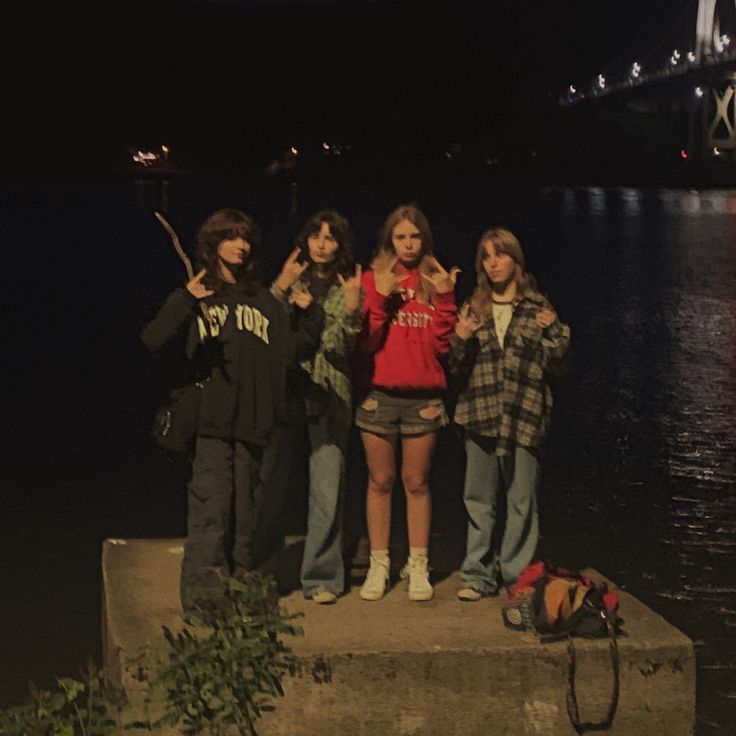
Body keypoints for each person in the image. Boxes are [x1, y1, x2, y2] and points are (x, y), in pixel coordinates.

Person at [141, 208, 319, 612]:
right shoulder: (200, 292)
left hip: (255, 425)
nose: (240, 246)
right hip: (212, 423)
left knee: (248, 515)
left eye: (245, 238)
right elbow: (153, 339)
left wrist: (305, 312)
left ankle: (246, 595)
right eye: (230, 237)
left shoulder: (262, 300)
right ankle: (205, 602)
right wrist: (187, 300)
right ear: (213, 244)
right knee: (212, 511)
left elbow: (289, 353)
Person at [447, 227, 570, 600]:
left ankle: (517, 575)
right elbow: (455, 367)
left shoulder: (538, 309)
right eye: (486, 256)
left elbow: (559, 365)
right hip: (479, 414)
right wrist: (461, 339)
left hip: (524, 415)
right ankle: (477, 575)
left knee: (521, 501)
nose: (493, 263)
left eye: (500, 255)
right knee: (478, 499)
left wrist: (555, 334)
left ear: (515, 261)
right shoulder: (474, 307)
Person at [354, 203, 458, 601]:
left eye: (415, 236)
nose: (408, 244)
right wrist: (379, 298)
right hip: (379, 395)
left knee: (416, 482)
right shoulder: (374, 277)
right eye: (400, 237)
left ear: (424, 238)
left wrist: (446, 299)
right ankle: (379, 565)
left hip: (423, 397)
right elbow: (366, 341)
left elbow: (442, 345)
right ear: (389, 240)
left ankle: (418, 565)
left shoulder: (435, 278)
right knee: (380, 481)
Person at [289, 209, 363, 604]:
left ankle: (322, 578)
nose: (321, 243)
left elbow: (338, 345)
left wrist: (349, 312)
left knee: (327, 488)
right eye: (315, 235)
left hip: (330, 394)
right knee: (271, 486)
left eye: (331, 237)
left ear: (341, 244)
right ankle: (259, 571)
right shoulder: (291, 280)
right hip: (288, 392)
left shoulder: (347, 286)